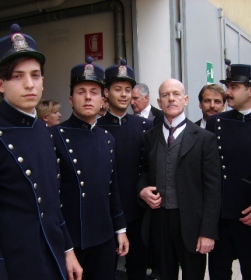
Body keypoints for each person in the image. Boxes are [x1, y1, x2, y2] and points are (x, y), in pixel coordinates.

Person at [0, 23, 82, 280]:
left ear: (43, 81)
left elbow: (51, 203)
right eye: (17, 76)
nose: (28, 84)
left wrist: (68, 249)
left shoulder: (42, 129)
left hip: (52, 255)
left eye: (35, 75)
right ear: (1, 84)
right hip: (16, 264)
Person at [50, 57, 129, 280]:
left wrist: (120, 229)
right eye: (81, 91)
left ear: (103, 99)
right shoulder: (55, 136)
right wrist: (66, 247)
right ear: (70, 99)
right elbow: (51, 200)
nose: (87, 97)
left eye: (94, 92)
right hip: (73, 241)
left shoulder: (107, 138)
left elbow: (112, 190)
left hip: (104, 239)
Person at [138, 78, 221, 280]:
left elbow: (213, 188)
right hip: (159, 222)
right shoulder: (149, 136)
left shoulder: (203, 138)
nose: (171, 99)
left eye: (176, 94)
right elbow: (144, 171)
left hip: (192, 224)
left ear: (186, 100)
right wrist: (142, 189)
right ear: (159, 102)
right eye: (166, 95)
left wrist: (208, 232)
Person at [206, 64, 251, 280]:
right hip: (221, 220)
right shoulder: (216, 123)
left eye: (234, 87)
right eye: (228, 86)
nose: (227, 92)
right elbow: (208, 172)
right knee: (218, 275)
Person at [97, 59, 153, 280]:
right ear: (106, 92)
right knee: (105, 270)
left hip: (138, 211)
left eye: (128, 90)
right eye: (117, 89)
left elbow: (150, 167)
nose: (123, 95)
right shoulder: (97, 128)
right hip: (107, 214)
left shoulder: (145, 127)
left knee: (138, 269)